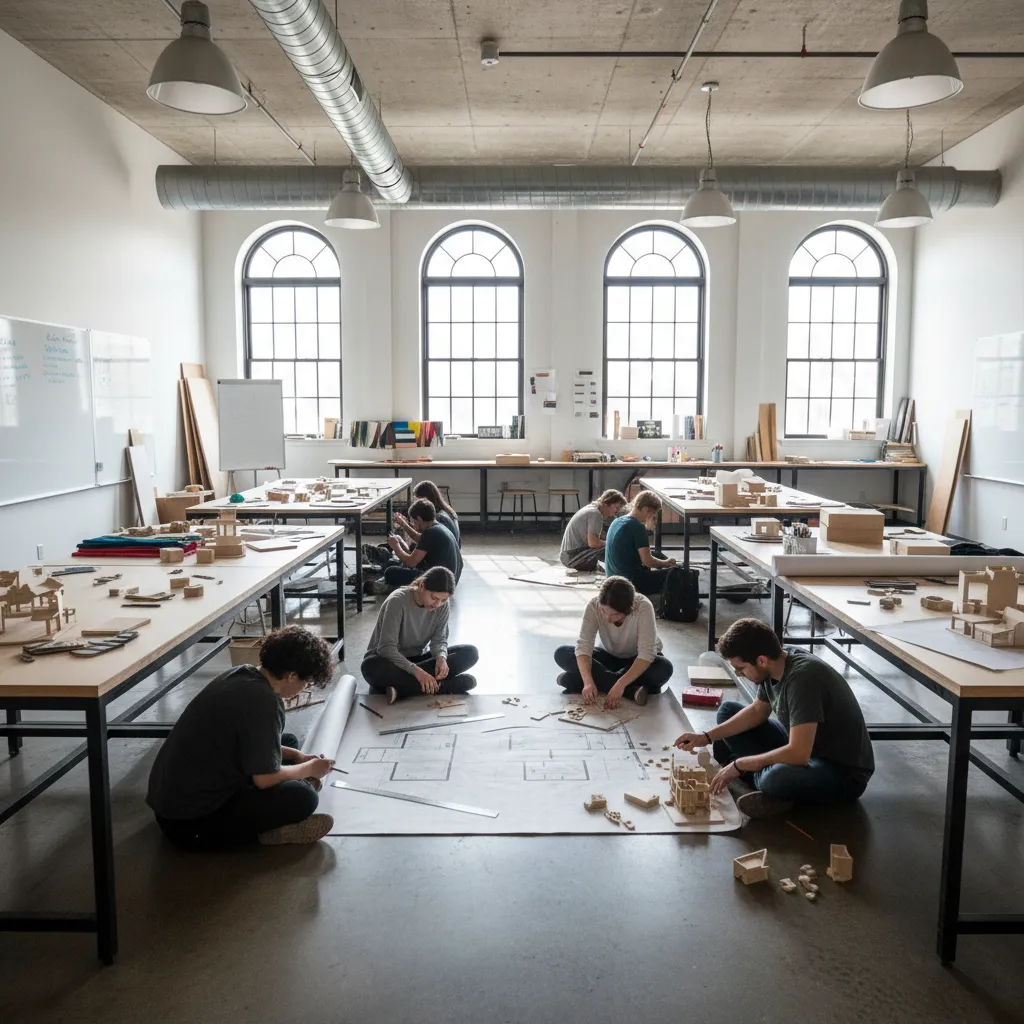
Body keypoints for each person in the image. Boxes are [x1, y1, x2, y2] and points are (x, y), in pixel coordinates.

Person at [146, 626, 336, 850]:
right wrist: (311, 768)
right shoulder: (265, 703)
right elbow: (264, 779)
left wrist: (297, 756)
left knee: (289, 742)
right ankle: (267, 834)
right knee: (303, 797)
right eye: (305, 682)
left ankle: (278, 792)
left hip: (170, 804)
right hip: (189, 824)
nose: (303, 688)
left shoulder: (243, 673)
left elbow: (241, 739)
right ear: (291, 675)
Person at [674, 618, 874, 820]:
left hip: (842, 773)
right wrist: (705, 736)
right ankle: (768, 786)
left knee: (775, 778)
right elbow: (758, 712)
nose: (739, 674)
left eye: (741, 668)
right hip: (806, 748)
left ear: (761, 660)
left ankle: (770, 788)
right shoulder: (776, 662)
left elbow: (798, 753)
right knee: (727, 712)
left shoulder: (803, 679)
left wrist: (739, 765)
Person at [361, 566, 479, 703]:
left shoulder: (441, 606)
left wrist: (441, 657)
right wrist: (417, 672)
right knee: (370, 667)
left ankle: (401, 689)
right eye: (434, 598)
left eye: (443, 600)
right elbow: (386, 648)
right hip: (389, 661)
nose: (438, 604)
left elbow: (439, 640)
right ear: (422, 586)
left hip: (418, 659)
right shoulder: (397, 601)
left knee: (470, 653)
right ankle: (444, 687)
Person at [553, 575, 674, 709]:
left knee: (664, 668)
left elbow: (646, 654)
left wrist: (620, 684)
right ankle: (630, 691)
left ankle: (575, 680)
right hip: (608, 657)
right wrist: (588, 682)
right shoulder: (594, 605)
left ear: (629, 609)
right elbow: (584, 645)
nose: (607, 618)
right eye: (604, 611)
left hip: (637, 660)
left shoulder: (643, 606)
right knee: (562, 653)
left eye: (615, 614)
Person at [603, 490, 676, 595]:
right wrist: (666, 564)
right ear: (646, 509)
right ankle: (684, 607)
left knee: (657, 554)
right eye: (653, 513)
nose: (652, 517)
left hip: (612, 578)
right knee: (678, 574)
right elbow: (648, 561)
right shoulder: (637, 527)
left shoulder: (617, 521)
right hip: (629, 583)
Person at [380, 497, 463, 590]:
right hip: (451, 579)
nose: (414, 525)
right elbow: (419, 538)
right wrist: (403, 524)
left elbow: (410, 563)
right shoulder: (438, 527)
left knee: (390, 572)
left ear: (419, 519)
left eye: (414, 522)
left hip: (440, 582)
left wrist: (396, 547)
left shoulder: (430, 533)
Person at [558, 488, 626, 571]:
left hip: (568, 555)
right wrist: (614, 543)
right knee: (612, 546)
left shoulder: (592, 508)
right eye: (616, 507)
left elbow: (600, 536)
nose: (617, 511)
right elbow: (593, 543)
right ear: (606, 503)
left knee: (613, 545)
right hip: (571, 557)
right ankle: (619, 569)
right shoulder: (595, 514)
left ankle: (609, 568)